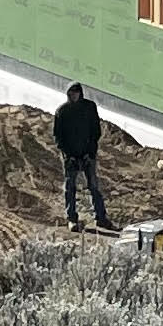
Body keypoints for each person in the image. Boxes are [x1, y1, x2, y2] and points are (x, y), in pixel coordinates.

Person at [54, 82, 107, 229]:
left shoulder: (89, 108)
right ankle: (72, 219)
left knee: (94, 187)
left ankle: (101, 218)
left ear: (80, 93)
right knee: (70, 188)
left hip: (87, 156)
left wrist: (90, 153)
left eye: (75, 92)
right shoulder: (62, 111)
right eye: (70, 93)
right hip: (70, 157)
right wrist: (68, 155)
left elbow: (96, 131)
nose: (73, 95)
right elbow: (58, 137)